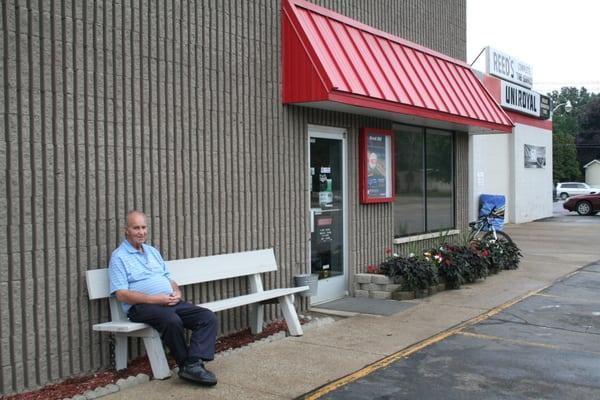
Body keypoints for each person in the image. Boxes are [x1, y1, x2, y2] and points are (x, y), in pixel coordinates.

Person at [108, 210, 218, 386]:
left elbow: (169, 279)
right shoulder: (119, 257)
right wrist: (156, 300)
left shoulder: (152, 251)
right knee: (172, 320)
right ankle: (185, 363)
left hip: (168, 302)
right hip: (141, 307)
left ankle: (193, 363)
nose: (141, 232)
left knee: (207, 317)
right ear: (126, 230)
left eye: (144, 227)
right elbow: (121, 294)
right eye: (136, 228)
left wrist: (177, 292)